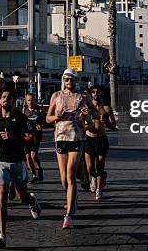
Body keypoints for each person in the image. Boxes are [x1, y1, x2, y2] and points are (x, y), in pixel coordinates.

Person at [0, 88, 41, 248]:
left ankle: (32, 200)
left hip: (17, 162)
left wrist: (13, 137)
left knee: (22, 196)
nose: (5, 100)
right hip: (1, 162)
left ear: (14, 101)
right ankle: (2, 235)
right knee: (2, 196)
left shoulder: (20, 118)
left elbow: (31, 137)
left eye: (8, 97)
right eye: (3, 97)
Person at [45, 68, 98, 229]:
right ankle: (72, 198)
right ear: (63, 80)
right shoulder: (56, 96)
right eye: (66, 79)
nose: (69, 82)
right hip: (60, 138)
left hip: (77, 137)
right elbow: (48, 118)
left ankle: (68, 215)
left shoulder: (83, 96)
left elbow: (95, 115)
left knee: (70, 174)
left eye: (72, 79)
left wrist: (87, 114)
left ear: (76, 80)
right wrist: (57, 116)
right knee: (63, 178)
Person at [85, 85, 116, 200]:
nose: (95, 94)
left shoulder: (106, 108)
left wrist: (106, 122)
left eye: (98, 92)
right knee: (89, 168)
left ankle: (99, 189)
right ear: (90, 94)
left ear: (101, 94)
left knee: (100, 166)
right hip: (89, 138)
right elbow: (80, 122)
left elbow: (113, 126)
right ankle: (96, 177)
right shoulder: (86, 107)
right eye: (93, 92)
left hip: (101, 139)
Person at [22, 93, 44, 184]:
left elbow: (43, 122)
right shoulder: (24, 110)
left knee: (33, 155)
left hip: (36, 135)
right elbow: (22, 122)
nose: (30, 102)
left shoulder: (38, 110)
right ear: (26, 101)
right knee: (28, 157)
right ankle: (34, 175)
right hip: (27, 136)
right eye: (29, 100)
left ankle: (39, 168)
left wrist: (40, 125)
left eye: (32, 100)